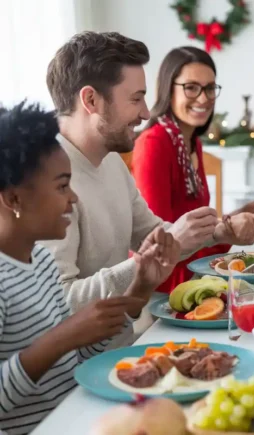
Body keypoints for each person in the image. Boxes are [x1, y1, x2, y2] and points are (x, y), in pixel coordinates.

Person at [41, 31, 254, 344]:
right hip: (75, 376)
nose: (147, 112)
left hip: (121, 349)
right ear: (90, 100)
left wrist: (217, 234)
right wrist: (144, 266)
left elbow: (154, 235)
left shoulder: (111, 162)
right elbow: (59, 303)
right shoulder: (45, 182)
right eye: (135, 98)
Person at [0, 102, 179, 434]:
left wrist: (139, 289)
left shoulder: (40, 261)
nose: (74, 199)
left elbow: (75, 362)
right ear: (13, 200)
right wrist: (60, 338)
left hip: (79, 416)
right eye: (61, 186)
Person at [131, 46, 254, 293]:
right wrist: (225, 230)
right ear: (168, 89)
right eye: (191, 87)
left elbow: (194, 225)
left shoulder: (191, 141)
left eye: (209, 88)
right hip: (165, 283)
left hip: (196, 268)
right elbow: (158, 239)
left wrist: (236, 215)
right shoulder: (154, 143)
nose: (204, 98)